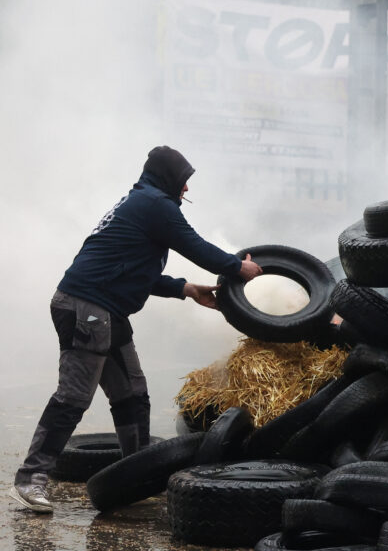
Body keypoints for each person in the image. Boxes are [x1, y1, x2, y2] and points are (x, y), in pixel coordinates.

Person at [8, 145, 263, 513]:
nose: (187, 189)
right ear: (168, 178)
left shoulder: (143, 202)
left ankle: (134, 475)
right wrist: (238, 267)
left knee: (132, 394)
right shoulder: (155, 205)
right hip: (86, 307)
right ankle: (30, 480)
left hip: (103, 309)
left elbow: (134, 270)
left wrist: (185, 289)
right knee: (73, 398)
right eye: (184, 181)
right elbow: (196, 248)